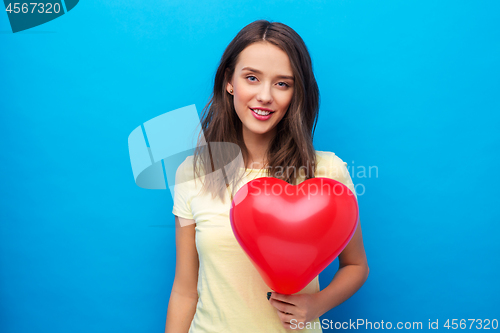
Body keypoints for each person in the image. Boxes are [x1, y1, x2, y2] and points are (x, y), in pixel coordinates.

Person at [165, 20, 369, 332]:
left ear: (296, 93)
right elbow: (184, 289)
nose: (265, 96)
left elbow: (356, 266)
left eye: (282, 84)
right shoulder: (193, 172)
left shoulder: (327, 171)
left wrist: (317, 304)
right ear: (229, 82)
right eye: (251, 78)